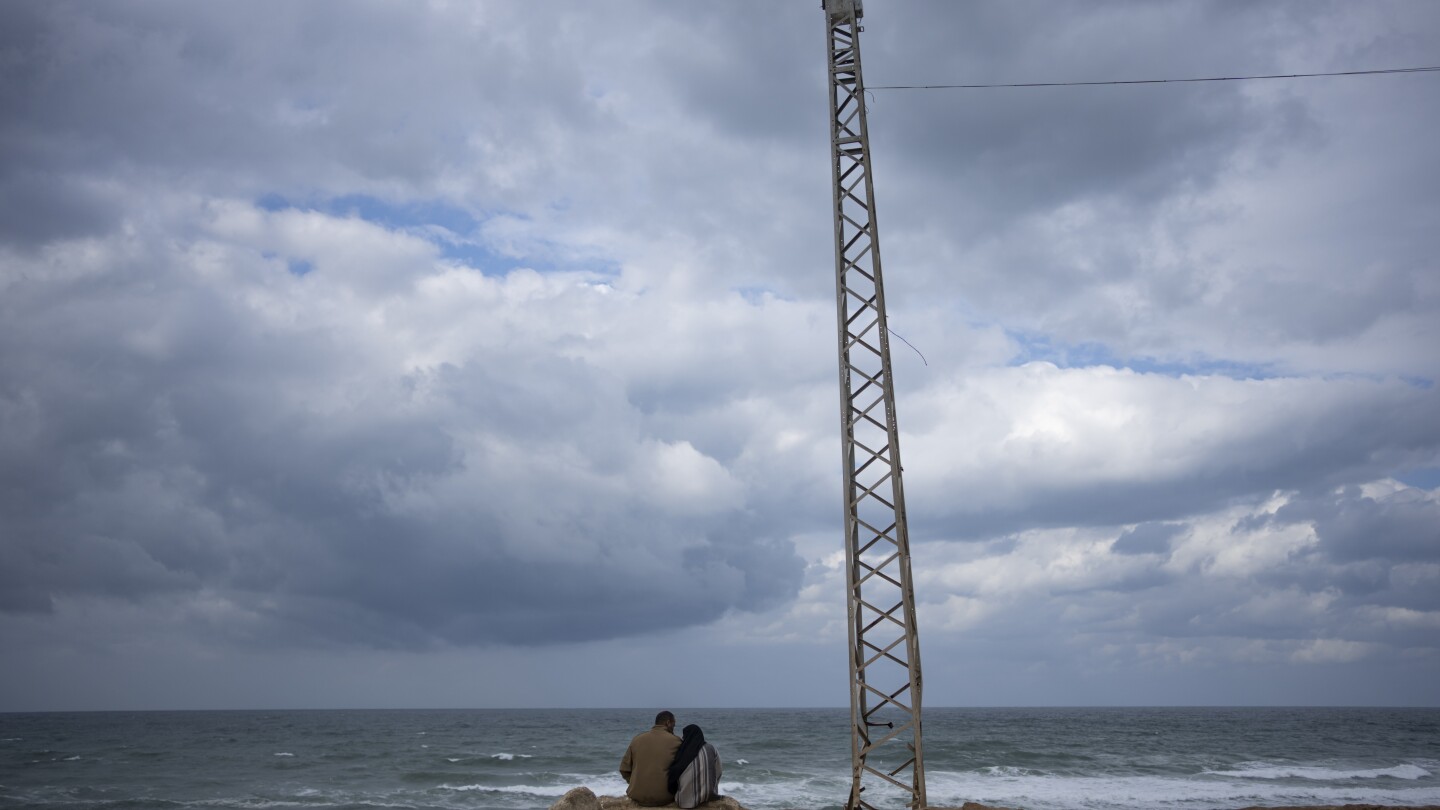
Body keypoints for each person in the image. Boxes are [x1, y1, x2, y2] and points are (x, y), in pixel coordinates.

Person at [619, 710, 682, 806]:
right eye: (674, 724)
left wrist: (635, 783)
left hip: (637, 796)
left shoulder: (637, 739)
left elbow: (624, 769)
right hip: (665, 797)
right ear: (668, 723)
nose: (674, 728)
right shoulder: (676, 741)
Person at [667, 724, 722, 809]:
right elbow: (719, 771)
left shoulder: (682, 751)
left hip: (685, 801)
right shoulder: (711, 748)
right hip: (710, 795)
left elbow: (674, 774)